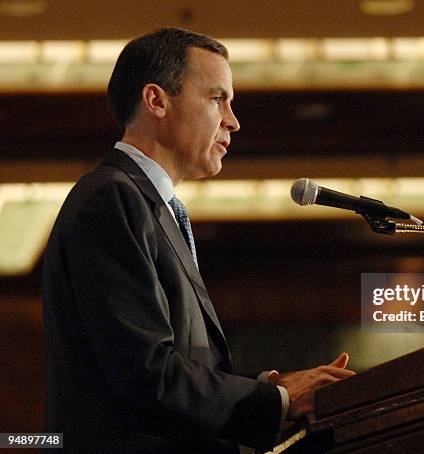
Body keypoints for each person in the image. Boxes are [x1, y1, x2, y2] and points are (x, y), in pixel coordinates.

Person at [42, 27, 355, 453]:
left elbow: (179, 365)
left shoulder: (149, 203)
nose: (233, 120)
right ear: (157, 101)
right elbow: (145, 370)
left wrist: (268, 388)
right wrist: (279, 401)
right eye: (216, 98)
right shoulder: (111, 198)